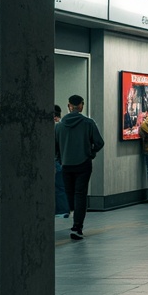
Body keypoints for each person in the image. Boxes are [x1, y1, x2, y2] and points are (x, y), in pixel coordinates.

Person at [56, 95, 105, 240]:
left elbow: (54, 148)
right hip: (83, 164)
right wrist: (90, 153)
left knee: (69, 193)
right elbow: (99, 143)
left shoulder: (59, 126)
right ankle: (77, 226)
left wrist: (60, 159)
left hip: (66, 165)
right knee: (80, 194)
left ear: (69, 106)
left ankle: (72, 212)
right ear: (81, 106)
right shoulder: (88, 123)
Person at [53, 105, 68, 218]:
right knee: (61, 187)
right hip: (62, 160)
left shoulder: (55, 128)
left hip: (56, 160)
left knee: (58, 187)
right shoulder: (63, 126)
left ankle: (61, 210)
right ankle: (63, 210)